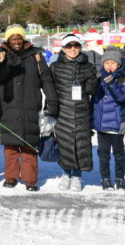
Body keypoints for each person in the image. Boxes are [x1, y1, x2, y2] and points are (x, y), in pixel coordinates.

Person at [0, 24, 58, 192]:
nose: (16, 41)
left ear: (23, 39)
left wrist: (52, 101)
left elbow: (46, 79)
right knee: (10, 144)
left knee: (29, 143)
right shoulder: (0, 55)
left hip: (31, 104)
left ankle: (30, 179)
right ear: (8, 40)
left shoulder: (35, 55)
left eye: (19, 38)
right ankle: (11, 176)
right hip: (8, 105)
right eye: (13, 38)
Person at [48, 34, 98, 192]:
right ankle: (65, 174)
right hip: (63, 111)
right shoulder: (55, 67)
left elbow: (91, 91)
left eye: (76, 45)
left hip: (82, 111)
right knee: (65, 144)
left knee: (81, 145)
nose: (73, 49)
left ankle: (76, 176)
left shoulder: (88, 66)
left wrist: (93, 79)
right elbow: (50, 91)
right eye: (69, 46)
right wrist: (50, 109)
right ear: (63, 49)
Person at [92, 50, 125, 191]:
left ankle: (120, 177)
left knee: (119, 154)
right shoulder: (99, 79)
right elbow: (94, 101)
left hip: (117, 124)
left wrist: (111, 83)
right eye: (106, 63)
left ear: (119, 64)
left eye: (113, 63)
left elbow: (123, 97)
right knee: (103, 154)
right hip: (102, 124)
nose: (109, 65)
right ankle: (105, 178)